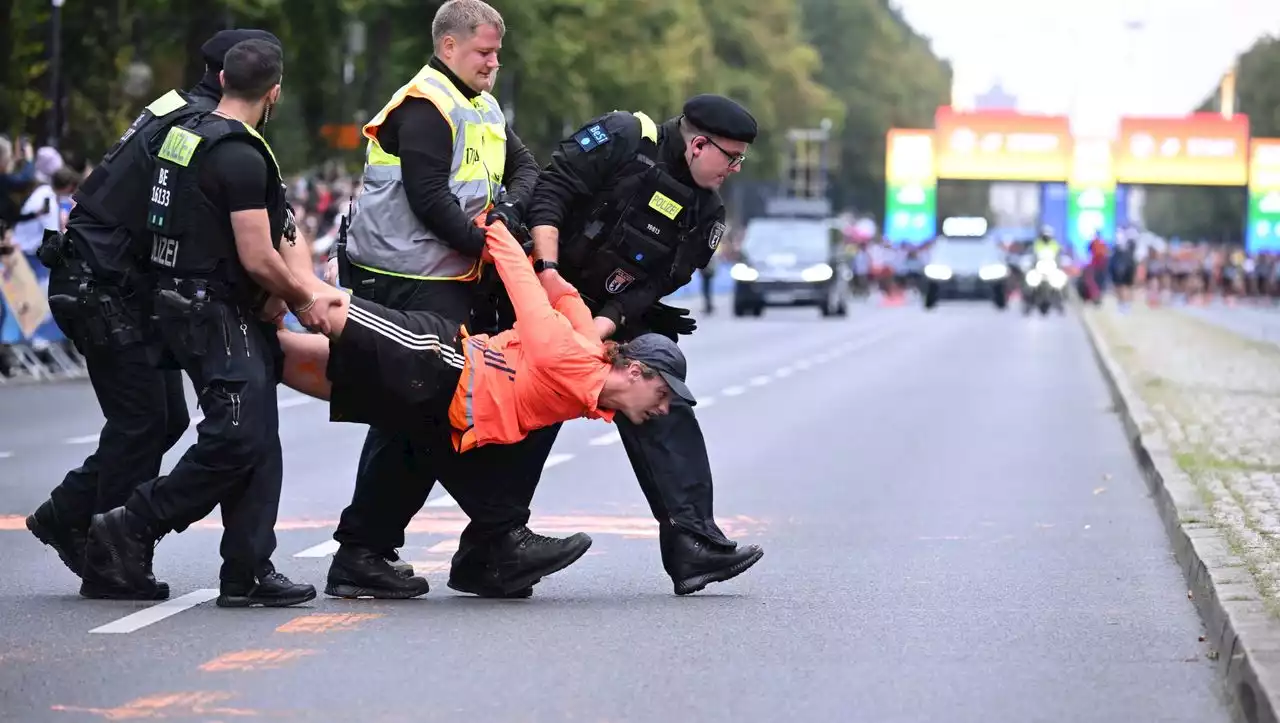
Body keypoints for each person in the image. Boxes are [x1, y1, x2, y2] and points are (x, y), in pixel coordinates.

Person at [328, 0, 588, 601]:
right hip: (405, 281)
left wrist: (507, 218)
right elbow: (427, 199)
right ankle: (494, 537)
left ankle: (368, 551)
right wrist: (493, 246)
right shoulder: (424, 106)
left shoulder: (483, 106)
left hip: (446, 279)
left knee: (412, 415)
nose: (494, 63)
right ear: (448, 47)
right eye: (483, 52)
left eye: (497, 52)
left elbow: (525, 170)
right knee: (427, 411)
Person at [79, 39, 345, 607]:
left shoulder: (182, 134)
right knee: (238, 436)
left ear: (222, 79)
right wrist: (302, 300)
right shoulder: (242, 155)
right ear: (274, 92)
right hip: (218, 311)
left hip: (180, 301)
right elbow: (257, 255)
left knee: (259, 436)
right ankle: (133, 523)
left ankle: (248, 571)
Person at [26, 29, 283, 595]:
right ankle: (108, 554)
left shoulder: (174, 109)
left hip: (101, 276)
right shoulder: (200, 131)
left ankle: (67, 516)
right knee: (145, 420)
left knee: (160, 419)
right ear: (234, 80)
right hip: (105, 285)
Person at [521, 95, 765, 596]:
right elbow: (550, 194)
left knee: (657, 376)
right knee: (525, 400)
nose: (735, 169)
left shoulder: (707, 212)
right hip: (528, 289)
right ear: (699, 144)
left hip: (599, 317)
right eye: (731, 157)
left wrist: (599, 327)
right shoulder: (624, 138)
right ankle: (489, 541)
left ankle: (693, 542)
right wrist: (547, 278)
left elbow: (654, 285)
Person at [282, 218, 687, 462]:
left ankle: (264, 343)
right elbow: (527, 290)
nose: (665, 408)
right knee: (330, 310)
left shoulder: (591, 361)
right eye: (664, 393)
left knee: (337, 377)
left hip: (446, 403)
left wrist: (544, 268)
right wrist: (494, 231)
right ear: (635, 371)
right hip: (444, 363)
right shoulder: (570, 357)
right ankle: (277, 266)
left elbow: (563, 294)